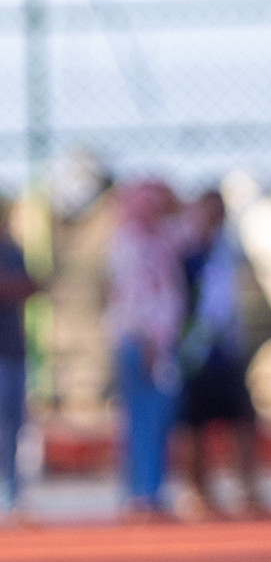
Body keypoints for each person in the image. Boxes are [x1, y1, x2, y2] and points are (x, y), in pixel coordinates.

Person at [176, 190, 270, 519]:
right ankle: (198, 490)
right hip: (197, 351)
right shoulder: (186, 249)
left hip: (227, 349)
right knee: (196, 426)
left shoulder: (228, 248)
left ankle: (248, 488)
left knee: (243, 419)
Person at [107, 179, 187, 521]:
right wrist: (147, 338)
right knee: (141, 419)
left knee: (160, 421)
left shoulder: (164, 239)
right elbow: (134, 296)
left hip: (163, 343)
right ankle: (140, 493)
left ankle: (153, 491)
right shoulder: (126, 242)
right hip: (139, 341)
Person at [0, 195, 40, 521]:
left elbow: (32, 284)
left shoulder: (13, 249)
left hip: (13, 352)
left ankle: (11, 496)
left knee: (14, 428)